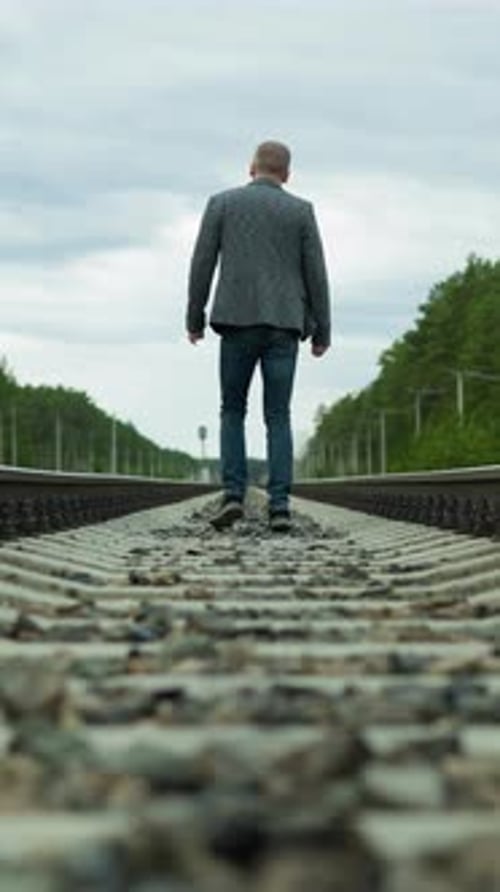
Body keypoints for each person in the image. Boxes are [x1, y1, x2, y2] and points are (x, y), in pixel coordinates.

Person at [186, 140, 331, 532]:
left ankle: (234, 496)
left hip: (236, 321)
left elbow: (202, 263)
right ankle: (279, 507)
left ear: (251, 168)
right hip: (284, 324)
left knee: (232, 410)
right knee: (278, 415)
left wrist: (195, 318)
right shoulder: (301, 211)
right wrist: (323, 330)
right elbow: (316, 272)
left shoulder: (221, 204)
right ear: (287, 174)